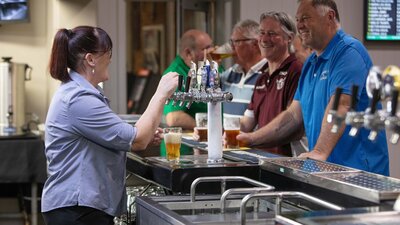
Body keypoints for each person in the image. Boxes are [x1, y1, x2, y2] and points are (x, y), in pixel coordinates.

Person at [41, 26, 178, 225]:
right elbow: (137, 140)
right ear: (90, 59)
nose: (111, 59)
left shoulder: (79, 91)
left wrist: (144, 134)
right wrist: (161, 93)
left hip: (79, 207)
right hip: (76, 209)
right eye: (108, 53)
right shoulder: (78, 98)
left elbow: (127, 136)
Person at [237, 0, 389, 175]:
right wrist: (250, 139)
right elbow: (293, 115)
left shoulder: (349, 52)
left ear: (329, 17)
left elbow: (341, 105)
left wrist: (319, 151)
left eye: (306, 18)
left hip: (359, 172)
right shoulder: (311, 62)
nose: (299, 26)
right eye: (298, 19)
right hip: (327, 171)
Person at [239, 11, 303, 156]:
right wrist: (216, 130)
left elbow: (292, 125)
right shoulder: (262, 77)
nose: (265, 39)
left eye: (272, 33)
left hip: (286, 166)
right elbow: (246, 124)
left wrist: (251, 139)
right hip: (262, 161)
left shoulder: (296, 71)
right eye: (262, 33)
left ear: (289, 38)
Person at [163, 29, 213, 130]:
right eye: (206, 48)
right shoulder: (177, 74)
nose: (212, 51)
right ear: (188, 53)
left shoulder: (208, 66)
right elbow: (174, 118)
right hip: (182, 144)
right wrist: (207, 129)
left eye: (211, 46)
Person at [221, 19, 267, 119]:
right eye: (231, 42)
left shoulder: (269, 73)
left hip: (254, 134)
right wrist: (210, 66)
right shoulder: (231, 73)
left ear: (255, 44)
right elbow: (204, 94)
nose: (231, 48)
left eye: (236, 42)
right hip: (228, 135)